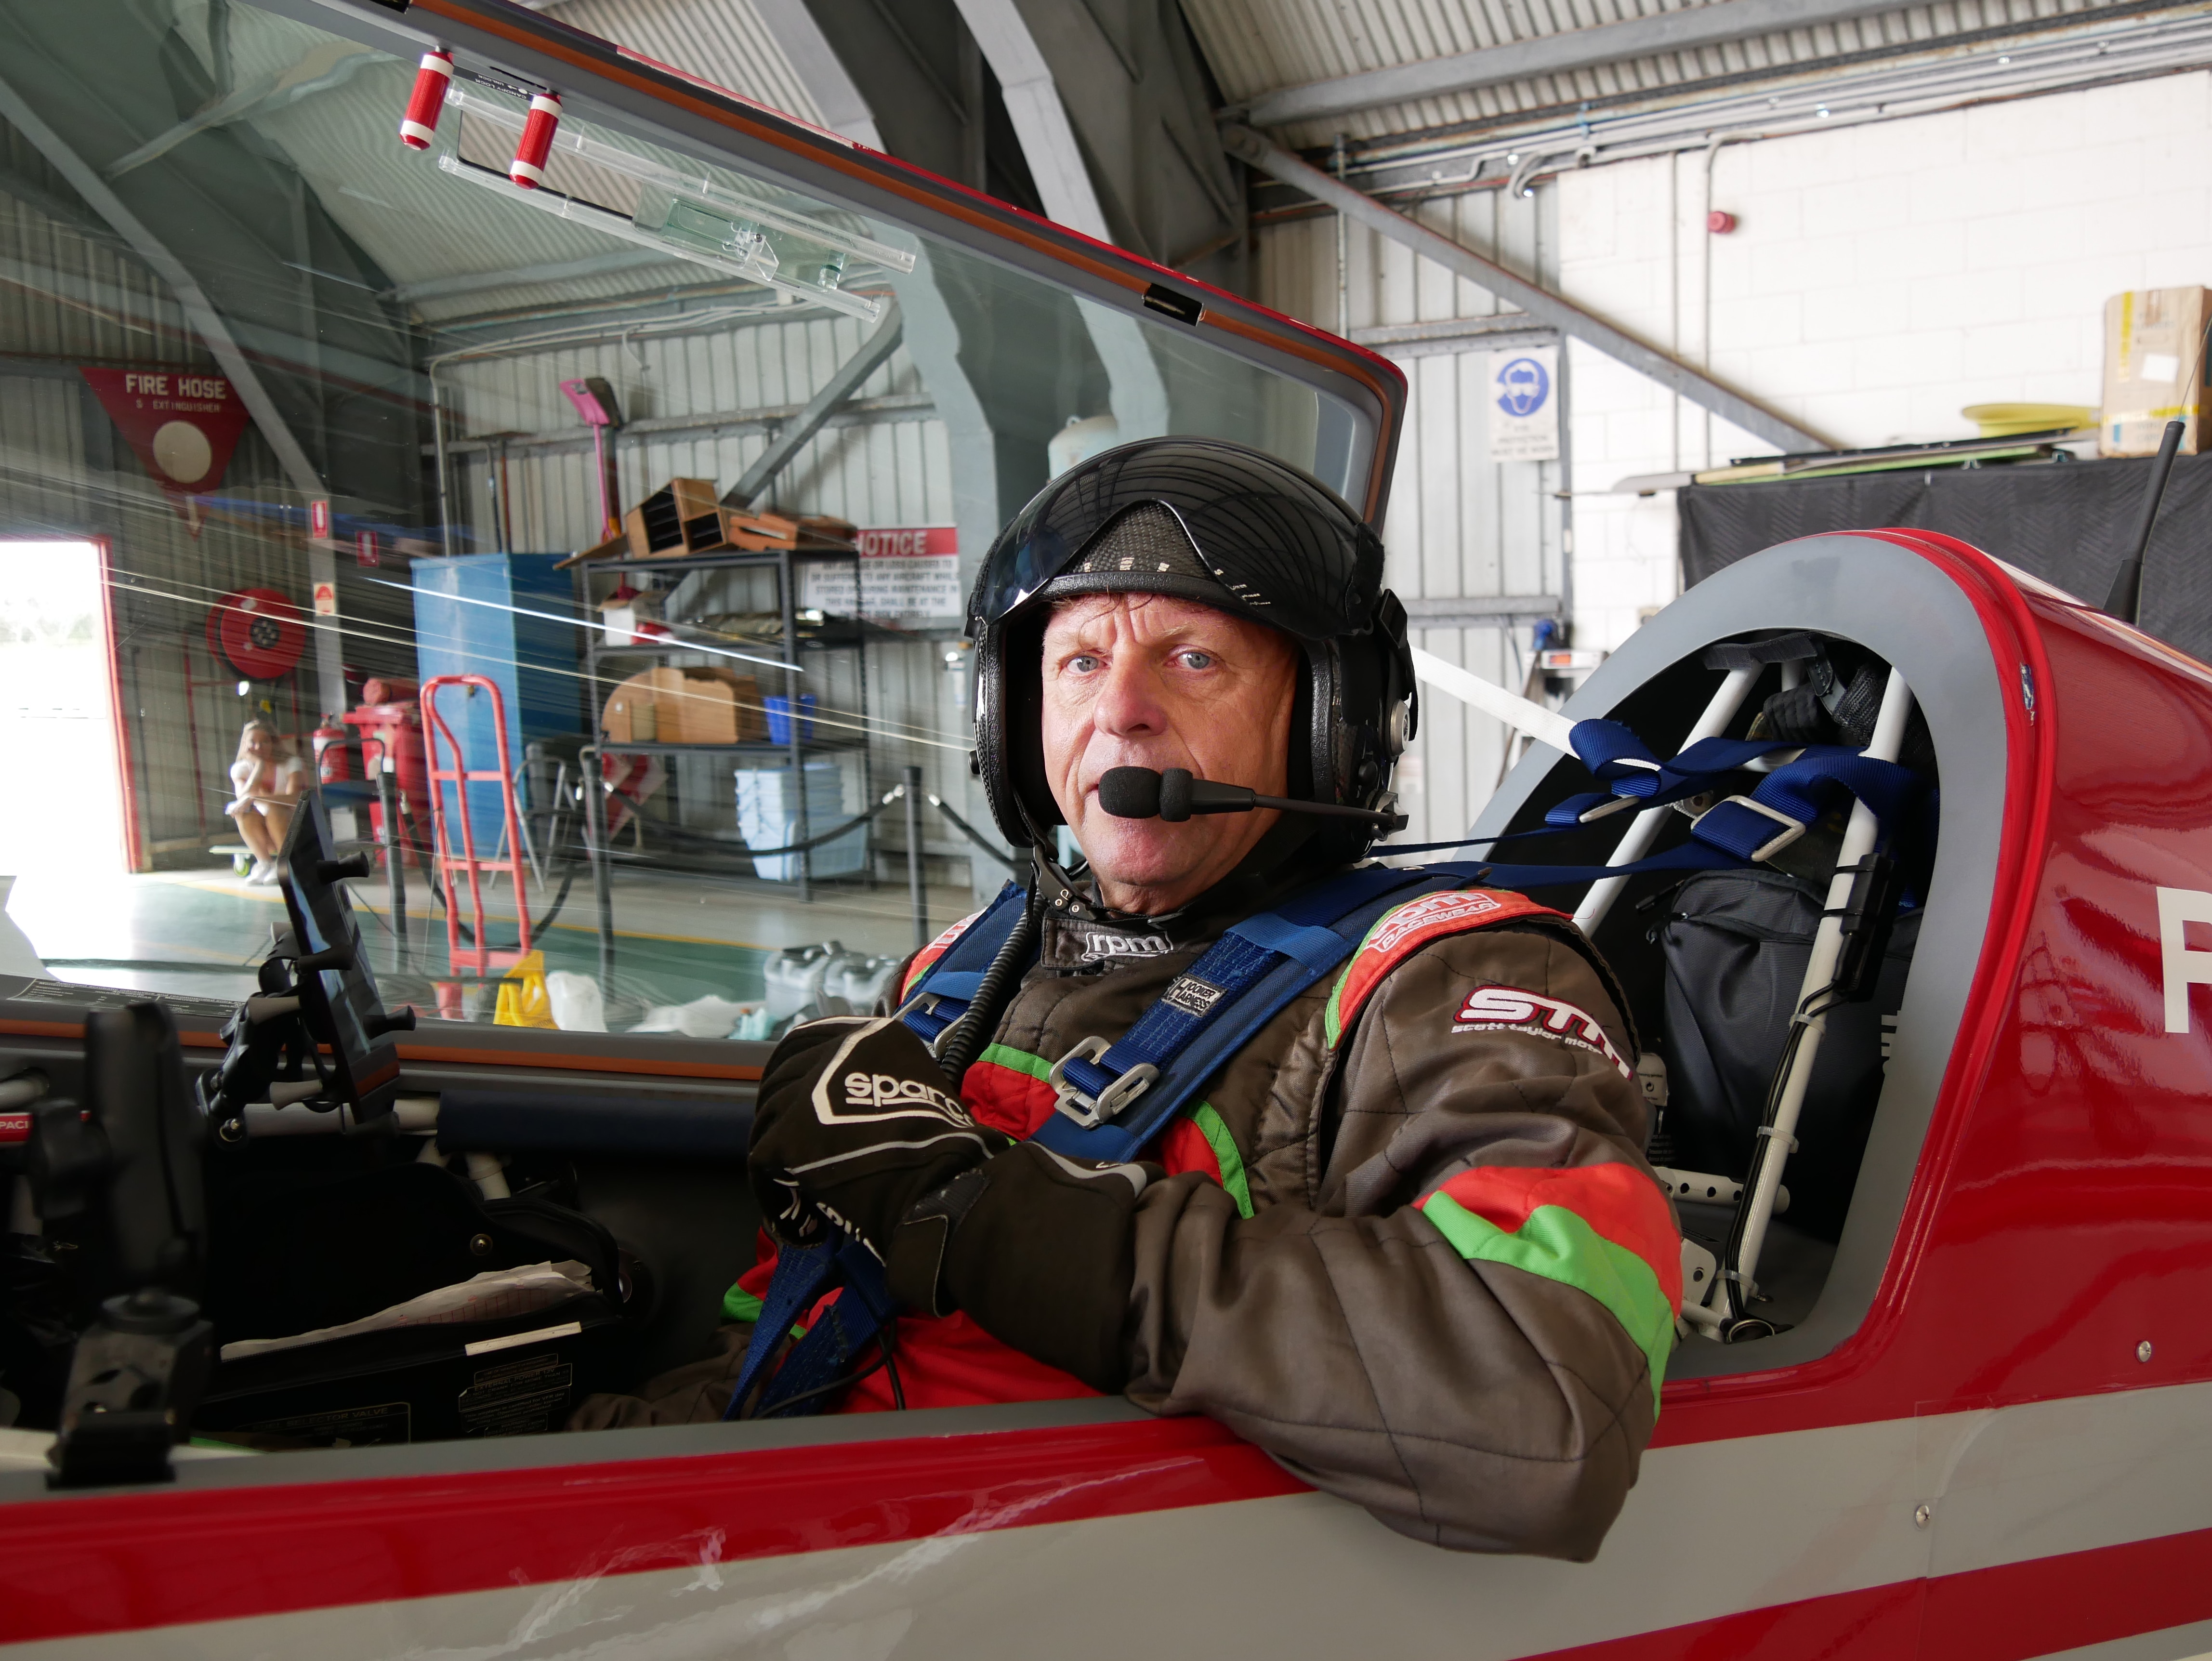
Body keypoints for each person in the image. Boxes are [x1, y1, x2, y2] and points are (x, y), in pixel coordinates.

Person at [576, 439, 1679, 1560]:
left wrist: (989, 1219)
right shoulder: (961, 966)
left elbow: (1544, 1411)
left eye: (1194, 658)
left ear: (1327, 718)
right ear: (1013, 716)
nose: (1122, 712)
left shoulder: (1446, 980)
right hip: (787, 1510)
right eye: (1077, 663)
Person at [226, 719, 307, 885]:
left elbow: (294, 798)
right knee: (243, 812)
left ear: (274, 743)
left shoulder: (291, 763)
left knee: (275, 808)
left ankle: (285, 864)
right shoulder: (240, 768)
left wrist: (256, 798)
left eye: (265, 742)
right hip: (265, 834)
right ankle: (264, 863)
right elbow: (243, 798)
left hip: (292, 830)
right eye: (253, 742)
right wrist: (260, 765)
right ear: (245, 745)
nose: (258, 747)